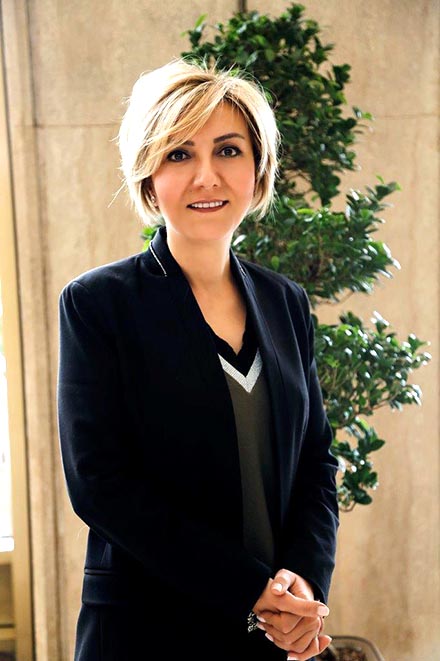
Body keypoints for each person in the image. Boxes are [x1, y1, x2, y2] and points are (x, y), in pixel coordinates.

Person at [57, 57, 340, 661]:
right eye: (179, 154)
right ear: (148, 176)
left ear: (258, 170)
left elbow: (316, 460)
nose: (206, 176)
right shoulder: (99, 303)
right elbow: (99, 484)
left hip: (270, 631)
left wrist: (304, 582)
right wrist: (249, 589)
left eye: (229, 151)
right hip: (145, 632)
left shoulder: (285, 301)